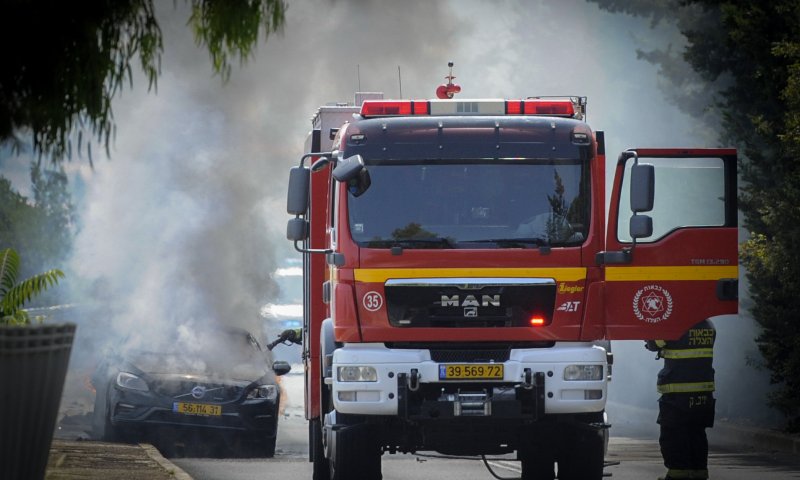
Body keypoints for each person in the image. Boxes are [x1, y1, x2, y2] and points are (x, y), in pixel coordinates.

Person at [645, 319, 716, 480]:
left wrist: (649, 331)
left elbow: (653, 344)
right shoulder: (709, 326)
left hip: (677, 393)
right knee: (697, 433)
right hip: (703, 392)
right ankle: (699, 472)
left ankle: (678, 474)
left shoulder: (675, 324)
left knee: (674, 435)